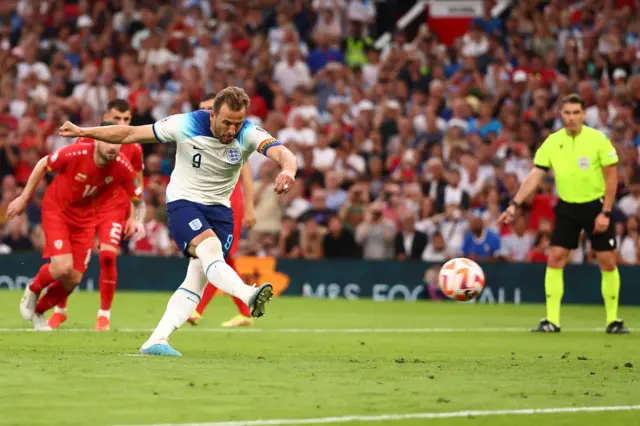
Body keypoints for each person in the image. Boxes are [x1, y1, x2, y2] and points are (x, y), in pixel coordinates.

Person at [58, 86, 297, 356]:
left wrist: (288, 170)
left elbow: (283, 153)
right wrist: (83, 132)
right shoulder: (185, 123)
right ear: (212, 116)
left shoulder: (248, 133)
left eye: (237, 123)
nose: (231, 129)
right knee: (209, 250)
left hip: (221, 212)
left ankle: (156, 341)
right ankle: (247, 294)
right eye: (226, 122)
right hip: (184, 203)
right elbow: (129, 133)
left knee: (196, 279)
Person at [498, 94, 628, 334]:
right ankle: (552, 320)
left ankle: (613, 320)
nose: (571, 118)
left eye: (576, 113)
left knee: (607, 261)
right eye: (567, 113)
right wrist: (514, 203)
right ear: (561, 115)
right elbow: (535, 175)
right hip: (568, 206)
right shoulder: (552, 142)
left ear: (583, 114)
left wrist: (606, 212)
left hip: (596, 205)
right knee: (555, 257)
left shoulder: (598, 140)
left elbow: (612, 177)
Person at [8, 137, 144, 330]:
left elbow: (137, 198)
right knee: (62, 266)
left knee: (73, 279)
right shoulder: (76, 152)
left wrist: (137, 218)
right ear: (97, 142)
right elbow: (42, 164)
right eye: (108, 142)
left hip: (86, 220)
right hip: (58, 211)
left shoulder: (122, 165)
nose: (112, 147)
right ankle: (33, 288)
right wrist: (23, 198)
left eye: (116, 143)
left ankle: (39, 311)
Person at [49, 100, 144, 331]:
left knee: (108, 256)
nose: (122, 124)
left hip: (113, 206)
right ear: (105, 117)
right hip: (84, 204)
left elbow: (135, 185)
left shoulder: (134, 146)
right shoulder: (84, 140)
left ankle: (104, 315)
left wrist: (134, 217)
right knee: (69, 259)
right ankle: (60, 309)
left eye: (127, 119)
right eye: (116, 119)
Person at [187, 93, 257, 328]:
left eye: (208, 109)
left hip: (229, 201)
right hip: (209, 201)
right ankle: (246, 311)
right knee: (221, 255)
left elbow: (246, 175)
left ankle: (196, 308)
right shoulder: (199, 138)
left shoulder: (234, 142)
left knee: (220, 254)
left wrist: (249, 208)